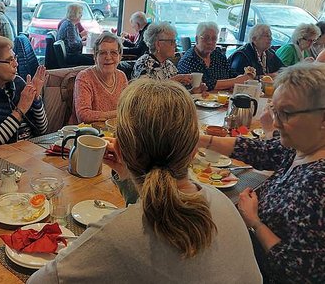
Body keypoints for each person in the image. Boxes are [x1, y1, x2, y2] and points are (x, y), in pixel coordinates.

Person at [28, 79, 261, 283]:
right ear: (192, 152)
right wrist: (128, 177)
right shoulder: (222, 203)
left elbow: (40, 281)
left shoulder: (116, 234)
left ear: (119, 147)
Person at [198, 62, 325, 282]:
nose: (275, 122)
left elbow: (297, 272)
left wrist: (254, 222)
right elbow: (259, 150)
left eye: (285, 113)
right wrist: (200, 140)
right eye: (275, 111)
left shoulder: (318, 184)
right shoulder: (301, 147)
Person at [132, 22, 208, 94]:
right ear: (158, 44)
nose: (175, 45)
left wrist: (192, 91)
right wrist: (174, 81)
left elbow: (174, 94)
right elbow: (145, 95)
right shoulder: (144, 63)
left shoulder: (169, 64)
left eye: (175, 41)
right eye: (172, 41)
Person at [177, 21, 256, 91]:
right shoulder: (189, 59)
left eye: (214, 38)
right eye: (206, 38)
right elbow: (207, 84)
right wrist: (236, 81)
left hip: (222, 100)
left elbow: (231, 73)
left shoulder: (217, 54)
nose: (210, 42)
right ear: (197, 39)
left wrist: (246, 76)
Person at [69, 32, 128, 124]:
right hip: (87, 134)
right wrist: (118, 113)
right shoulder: (84, 77)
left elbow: (127, 108)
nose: (108, 57)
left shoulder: (122, 76)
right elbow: (83, 115)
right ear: (95, 57)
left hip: (112, 132)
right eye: (102, 53)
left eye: (113, 52)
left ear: (120, 57)